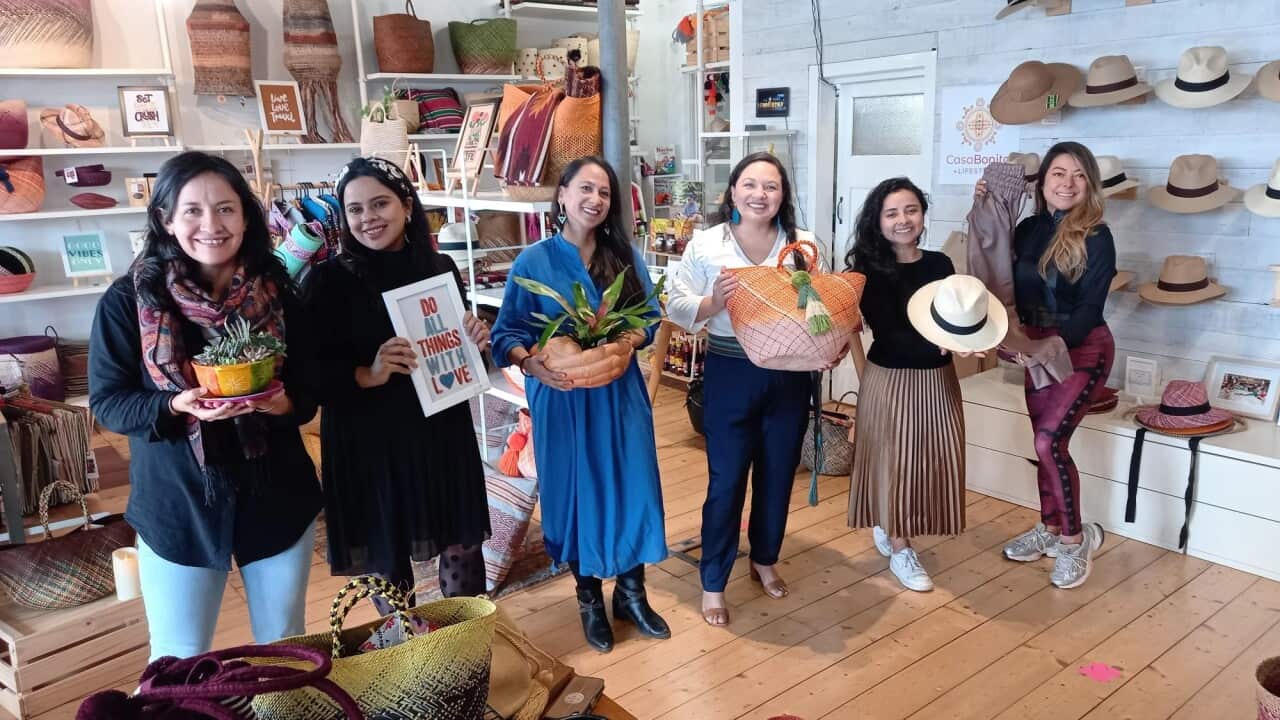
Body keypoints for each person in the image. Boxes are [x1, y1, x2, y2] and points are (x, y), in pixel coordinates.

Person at [89, 151, 322, 661]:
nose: (211, 225)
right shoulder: (129, 302)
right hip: (178, 500)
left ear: (246, 217)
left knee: (285, 645)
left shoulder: (279, 293)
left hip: (276, 491)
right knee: (178, 655)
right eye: (192, 210)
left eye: (225, 208)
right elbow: (109, 403)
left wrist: (281, 403)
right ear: (165, 220)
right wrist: (176, 405)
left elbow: (308, 390)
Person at [491, 156, 670, 653]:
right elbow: (507, 334)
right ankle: (589, 599)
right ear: (563, 195)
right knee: (574, 494)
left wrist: (628, 340)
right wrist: (531, 363)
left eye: (605, 192)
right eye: (586, 189)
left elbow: (649, 316)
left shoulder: (623, 256)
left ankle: (631, 595)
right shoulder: (534, 262)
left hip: (619, 394)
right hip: (563, 399)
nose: (595, 200)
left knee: (633, 487)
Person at [304, 157, 491, 604]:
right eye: (355, 209)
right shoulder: (327, 281)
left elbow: (458, 351)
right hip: (368, 438)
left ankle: (465, 636)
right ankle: (402, 644)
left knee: (461, 544)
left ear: (407, 205)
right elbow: (308, 373)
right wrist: (366, 374)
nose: (368, 218)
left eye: (380, 204)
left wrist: (475, 340)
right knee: (387, 559)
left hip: (440, 428)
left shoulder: (440, 268)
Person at [667, 152, 843, 626]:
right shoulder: (708, 244)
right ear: (733, 192)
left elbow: (822, 309)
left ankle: (765, 558)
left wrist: (830, 345)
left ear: (783, 195)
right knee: (726, 481)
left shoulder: (803, 245)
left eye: (771, 186)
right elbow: (676, 303)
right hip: (730, 369)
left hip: (790, 375)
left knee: (778, 474)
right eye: (749, 184)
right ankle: (713, 581)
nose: (759, 194)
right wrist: (712, 303)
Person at [977, 141, 1114, 588]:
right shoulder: (1029, 229)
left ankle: (1075, 541)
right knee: (1044, 445)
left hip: (1082, 349)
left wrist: (1049, 348)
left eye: (1078, 175)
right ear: (1043, 182)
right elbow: (1000, 275)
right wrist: (986, 206)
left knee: (1048, 442)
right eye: (1059, 173)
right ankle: (1049, 528)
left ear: (1089, 184)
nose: (1067, 183)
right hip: (1034, 344)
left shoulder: (1097, 236)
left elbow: (1090, 308)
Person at [844, 177, 967, 593]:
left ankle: (891, 522)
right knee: (896, 463)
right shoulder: (863, 271)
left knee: (932, 458)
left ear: (923, 215)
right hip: (890, 378)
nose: (903, 220)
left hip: (939, 377)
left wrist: (960, 342)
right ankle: (900, 546)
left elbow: (951, 322)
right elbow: (859, 328)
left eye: (911, 210)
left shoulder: (940, 264)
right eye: (892, 213)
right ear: (877, 221)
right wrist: (865, 380)